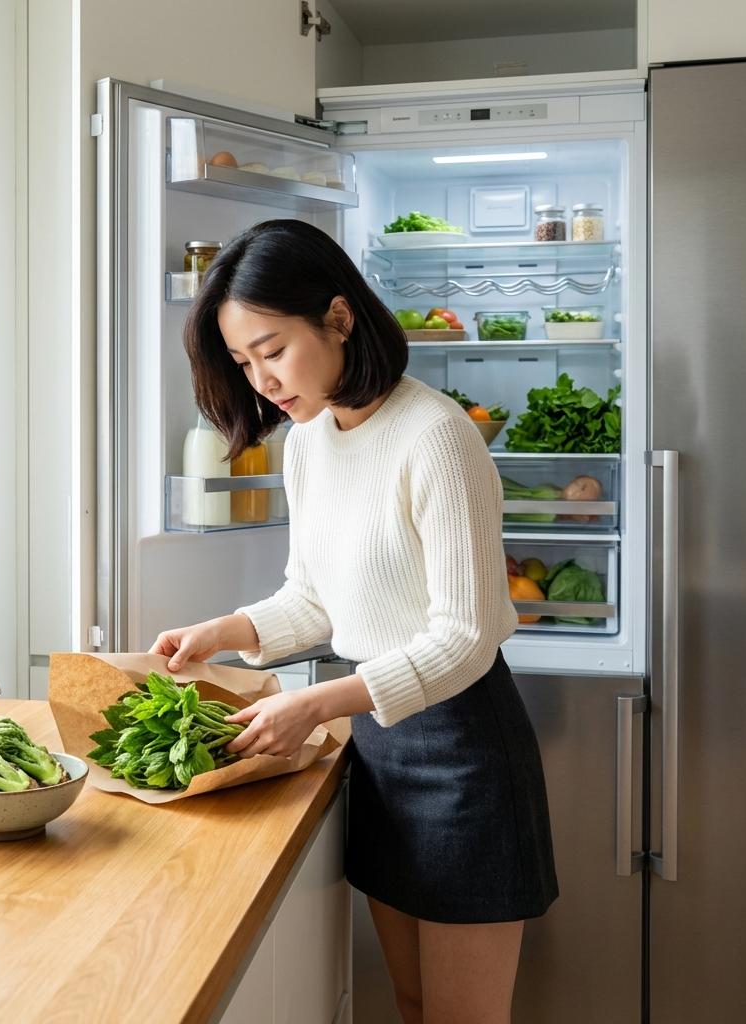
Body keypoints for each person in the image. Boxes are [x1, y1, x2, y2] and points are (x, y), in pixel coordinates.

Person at [150, 219, 558, 1024]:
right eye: (242, 362)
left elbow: (467, 637)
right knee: (409, 1001)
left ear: (338, 318)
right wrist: (220, 632)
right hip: (379, 749)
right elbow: (315, 598)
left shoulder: (437, 436)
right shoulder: (309, 442)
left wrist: (315, 704)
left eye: (272, 349)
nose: (261, 379)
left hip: (464, 755)